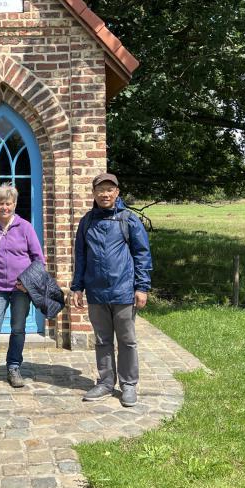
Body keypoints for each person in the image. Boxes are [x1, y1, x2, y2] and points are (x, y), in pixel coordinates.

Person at [71, 172, 152, 407]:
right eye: (100, 190)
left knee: (127, 340)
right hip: (96, 293)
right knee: (102, 340)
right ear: (94, 193)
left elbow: (142, 255)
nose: (105, 194)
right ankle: (106, 382)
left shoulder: (129, 220)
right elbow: (81, 256)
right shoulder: (87, 222)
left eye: (109, 190)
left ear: (117, 193)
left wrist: (142, 287)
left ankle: (128, 385)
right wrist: (77, 287)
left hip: (124, 291)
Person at [0, 182, 45, 391]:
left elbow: (39, 260)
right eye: (1, 203)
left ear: (14, 205)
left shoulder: (25, 228)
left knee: (18, 329)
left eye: (8, 203)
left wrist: (27, 282)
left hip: (21, 289)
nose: (5, 207)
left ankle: (13, 367)